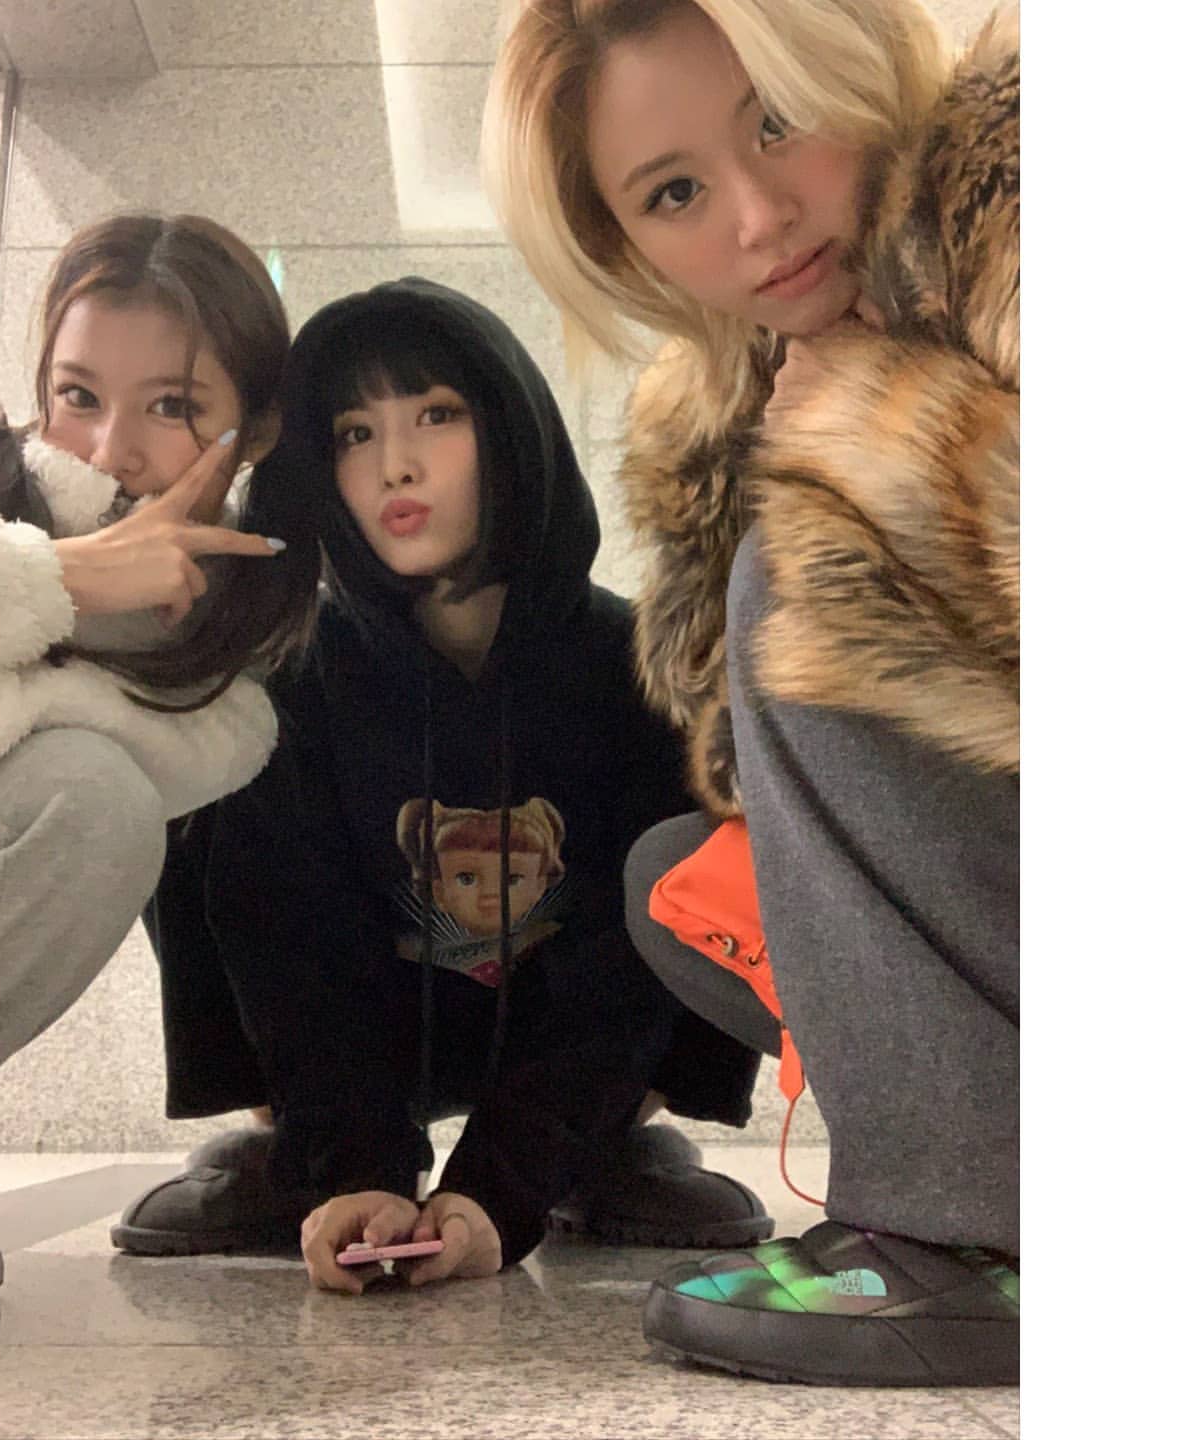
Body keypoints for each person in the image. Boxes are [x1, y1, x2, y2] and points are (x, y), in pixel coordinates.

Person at [484, 0, 1019, 1386]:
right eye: (674, 193)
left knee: (806, 555)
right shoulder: (728, 396)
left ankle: (972, 1232)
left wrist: (884, 433)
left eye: (778, 120)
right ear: (624, 246)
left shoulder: (1029, 202)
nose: (760, 215)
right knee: (680, 880)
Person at [111, 276, 778, 1291]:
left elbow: (619, 974)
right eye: (354, 433)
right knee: (191, 767)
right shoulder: (299, 678)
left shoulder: (631, 663)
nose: (396, 464)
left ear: (509, 425)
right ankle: (299, 1151)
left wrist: (499, 1193)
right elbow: (295, 950)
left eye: (435, 414)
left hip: (572, 1040)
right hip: (372, 1036)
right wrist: (357, 1172)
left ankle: (604, 1147)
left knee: (704, 838)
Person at [0, 213, 316, 1304]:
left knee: (97, 804)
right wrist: (59, 577)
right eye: (78, 394)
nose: (109, 450)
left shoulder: (235, 643)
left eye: (173, 407)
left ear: (255, 432)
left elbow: (179, 755)